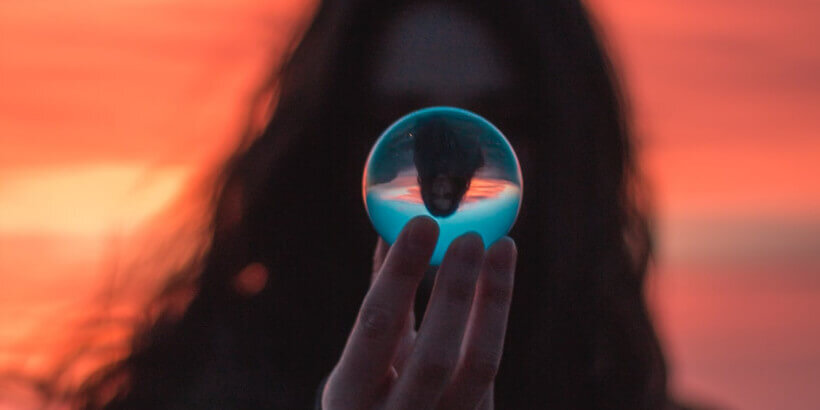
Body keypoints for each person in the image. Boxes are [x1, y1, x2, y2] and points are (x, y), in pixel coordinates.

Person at [76, 0, 675, 408]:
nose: (447, 164)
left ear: (568, 141)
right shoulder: (184, 394)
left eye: (499, 118)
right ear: (329, 140)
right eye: (401, 122)